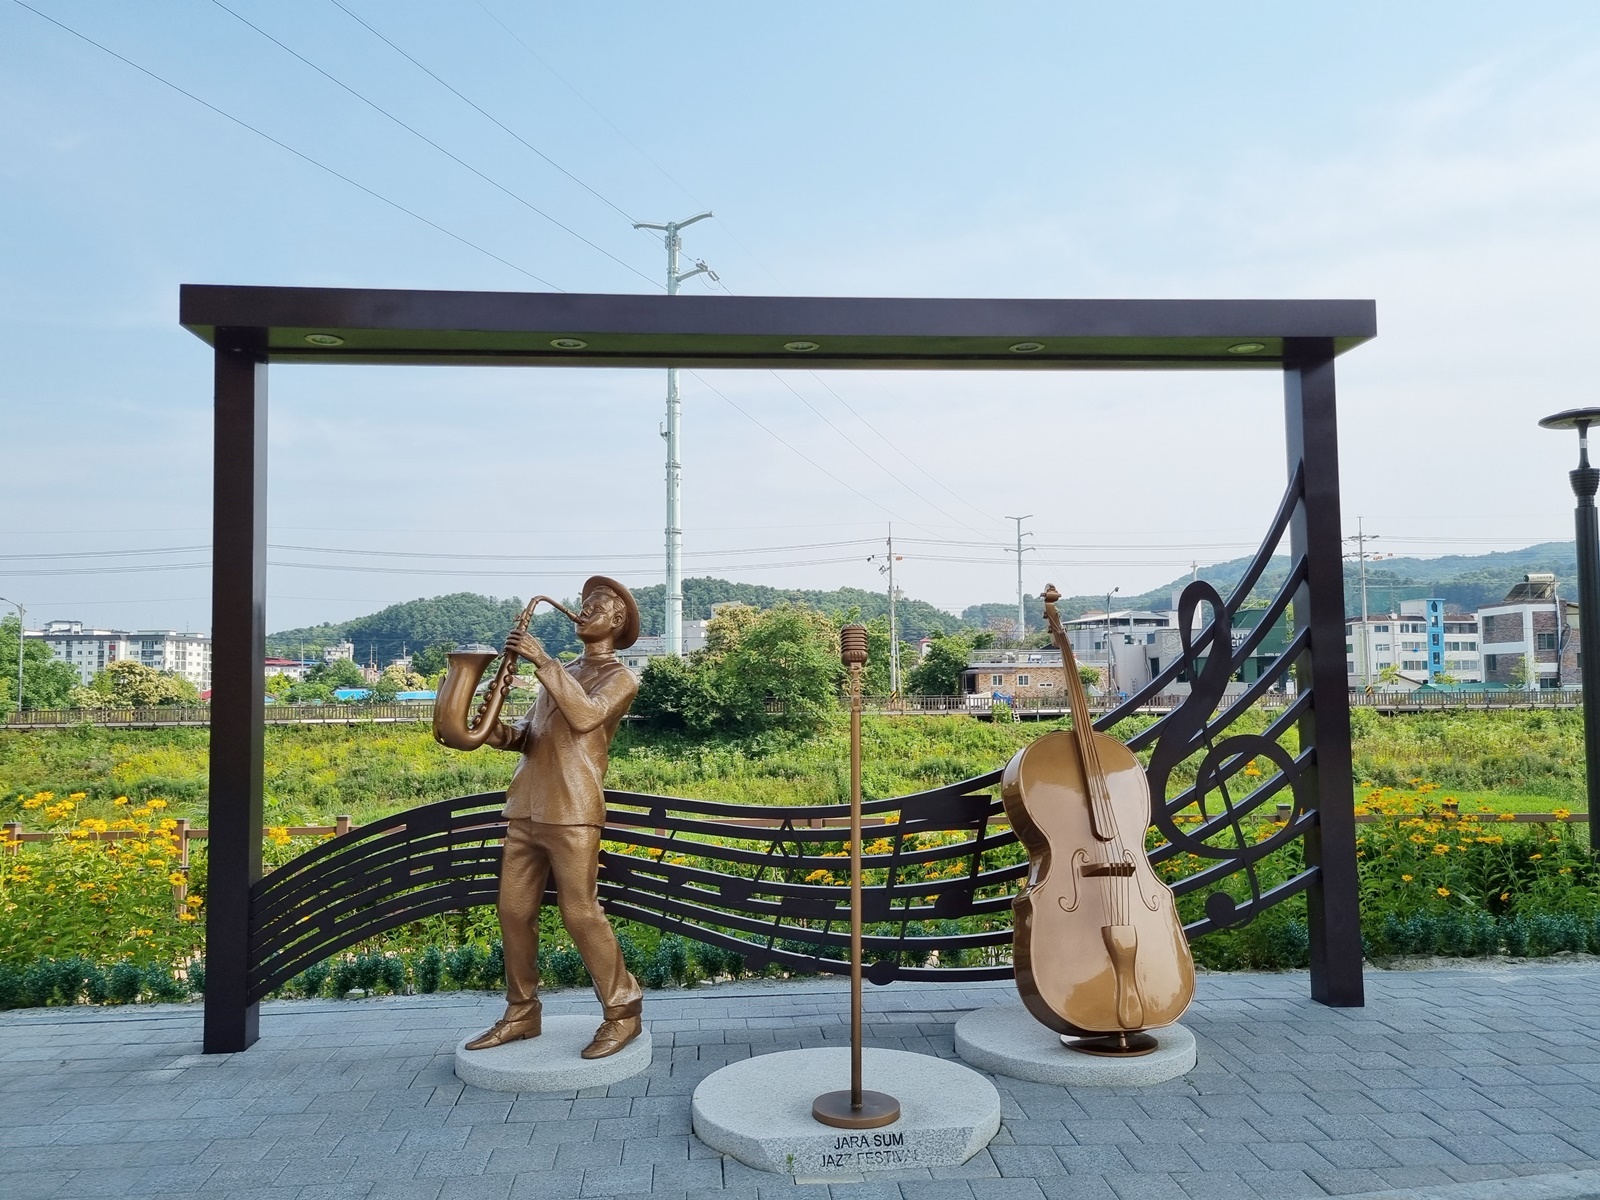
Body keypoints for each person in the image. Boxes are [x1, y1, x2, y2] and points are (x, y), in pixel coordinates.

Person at [464, 576, 644, 1059]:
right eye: (584, 605)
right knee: (513, 911)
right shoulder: (563, 671)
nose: (584, 612)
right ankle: (521, 1011)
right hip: (526, 806)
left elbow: (585, 717)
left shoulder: (621, 677)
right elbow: (530, 735)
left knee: (580, 912)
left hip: (573, 809)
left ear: (617, 621)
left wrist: (543, 662)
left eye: (596, 607)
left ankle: (623, 1012)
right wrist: (491, 730)